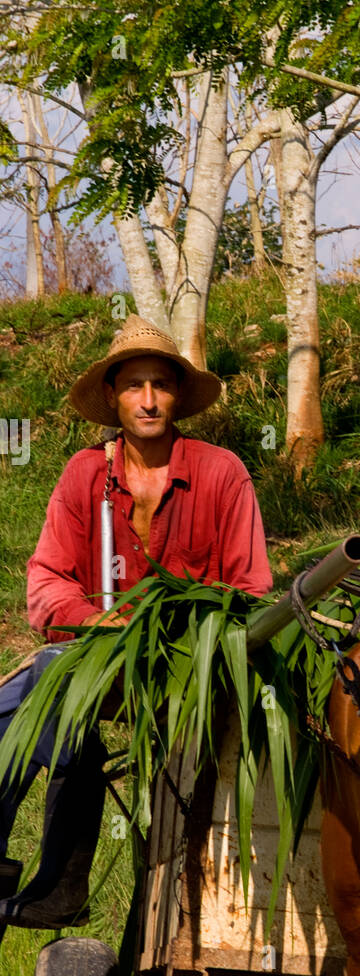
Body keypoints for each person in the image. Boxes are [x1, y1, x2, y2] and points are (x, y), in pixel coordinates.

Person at [0, 314, 273, 928]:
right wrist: (98, 627)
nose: (148, 400)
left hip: (193, 668)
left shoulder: (220, 472)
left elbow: (251, 587)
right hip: (101, 661)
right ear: (112, 398)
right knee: (21, 699)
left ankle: (60, 888)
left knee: (46, 680)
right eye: (133, 385)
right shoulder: (85, 475)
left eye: (161, 385)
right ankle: (43, 879)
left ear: (178, 396)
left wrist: (185, 632)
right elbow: (46, 583)